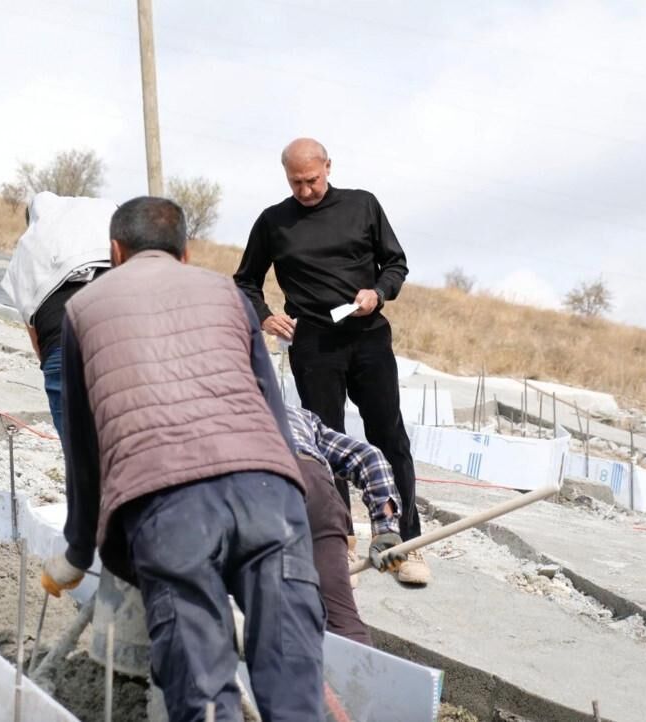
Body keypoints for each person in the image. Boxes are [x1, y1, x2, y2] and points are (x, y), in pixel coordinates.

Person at [41, 196, 324, 721]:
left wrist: (78, 550)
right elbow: (272, 407)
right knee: (295, 696)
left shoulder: (83, 309)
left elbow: (84, 446)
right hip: (271, 498)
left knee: (205, 699)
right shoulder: (227, 293)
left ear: (115, 252)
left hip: (168, 507)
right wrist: (293, 506)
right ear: (186, 253)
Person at [233, 137, 429, 586]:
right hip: (314, 344)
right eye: (296, 183)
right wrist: (265, 316)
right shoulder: (273, 221)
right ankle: (339, 544)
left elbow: (396, 264)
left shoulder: (363, 205)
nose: (305, 190)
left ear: (328, 167)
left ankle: (404, 541)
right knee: (326, 443)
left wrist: (378, 293)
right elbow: (245, 281)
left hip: (368, 338)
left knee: (389, 436)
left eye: (312, 180)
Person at [281, 403, 405, 645]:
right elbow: (369, 458)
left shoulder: (203, 409)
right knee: (341, 619)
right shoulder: (295, 414)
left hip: (250, 489)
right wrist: (386, 528)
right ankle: (356, 661)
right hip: (314, 490)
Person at [0, 191, 115, 436]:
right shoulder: (113, 241)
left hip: (61, 353)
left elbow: (37, 341)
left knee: (80, 453)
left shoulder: (31, 252)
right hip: (119, 349)